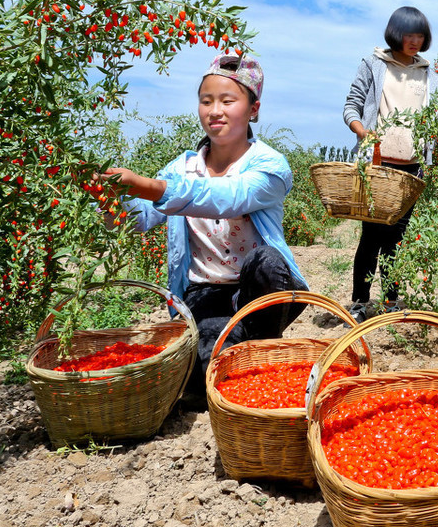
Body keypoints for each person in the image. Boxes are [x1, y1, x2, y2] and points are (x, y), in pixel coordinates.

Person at [102, 53, 307, 395]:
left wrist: (148, 186)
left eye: (228, 101)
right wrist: (107, 199)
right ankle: (236, 350)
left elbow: (227, 197)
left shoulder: (270, 166)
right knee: (202, 379)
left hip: (260, 290)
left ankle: (261, 345)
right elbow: (137, 219)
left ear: (253, 109)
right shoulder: (181, 169)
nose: (215, 111)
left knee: (267, 262)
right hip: (205, 292)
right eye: (206, 101)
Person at [342, 6, 432, 323]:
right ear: (395, 33)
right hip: (378, 165)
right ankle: (359, 301)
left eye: (420, 35)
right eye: (409, 34)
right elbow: (351, 106)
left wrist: (428, 160)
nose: (414, 41)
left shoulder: (425, 71)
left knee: (397, 238)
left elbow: (429, 119)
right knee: (372, 235)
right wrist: (363, 132)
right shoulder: (374, 64)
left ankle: (391, 302)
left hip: (411, 168)